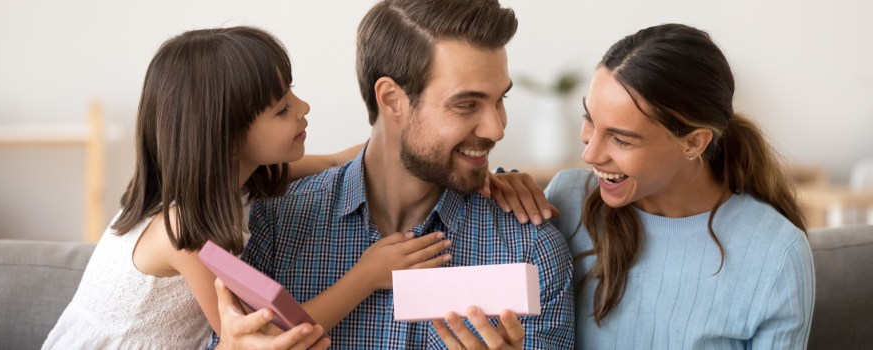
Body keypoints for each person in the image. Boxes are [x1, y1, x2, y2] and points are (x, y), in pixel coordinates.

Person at [43, 26, 453, 349]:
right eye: (281, 109)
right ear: (226, 136)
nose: (303, 108)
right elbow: (268, 336)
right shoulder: (185, 231)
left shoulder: (236, 181)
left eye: (292, 92)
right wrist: (368, 276)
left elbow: (338, 160)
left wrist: (459, 160)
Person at [214, 0, 575, 349]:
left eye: (500, 100)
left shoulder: (530, 250)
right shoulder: (272, 224)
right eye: (466, 104)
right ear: (391, 100)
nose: (496, 129)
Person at [446, 23, 815, 349]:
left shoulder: (776, 255)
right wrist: (497, 181)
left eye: (621, 140)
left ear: (694, 142)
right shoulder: (568, 200)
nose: (590, 155)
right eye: (589, 120)